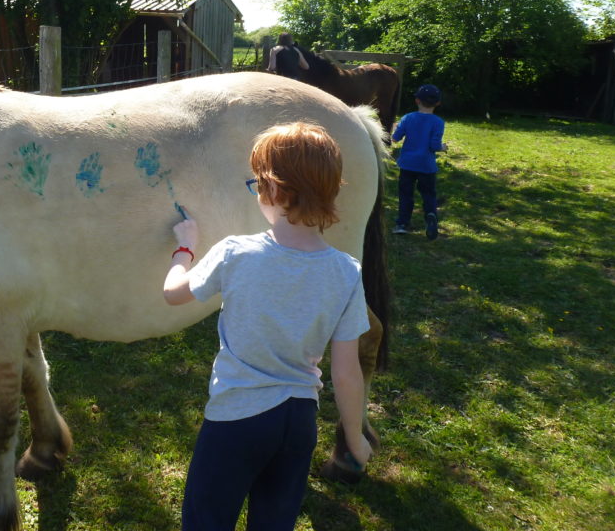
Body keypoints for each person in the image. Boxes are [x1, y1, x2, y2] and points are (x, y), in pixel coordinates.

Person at [162, 123, 373, 531]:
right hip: (299, 424)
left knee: (206, 520)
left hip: (236, 419)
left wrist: (184, 248)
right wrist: (354, 436)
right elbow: (346, 372)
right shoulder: (347, 272)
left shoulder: (235, 253)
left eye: (255, 183)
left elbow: (173, 294)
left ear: (273, 190)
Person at [391, 83, 447, 239]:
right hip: (427, 166)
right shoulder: (438, 122)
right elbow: (434, 146)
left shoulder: (408, 118)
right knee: (429, 194)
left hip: (407, 164)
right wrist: (443, 147)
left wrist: (395, 128)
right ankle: (430, 216)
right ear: (438, 103)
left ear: (417, 100)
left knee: (406, 195)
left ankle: (402, 223)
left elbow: (395, 139)